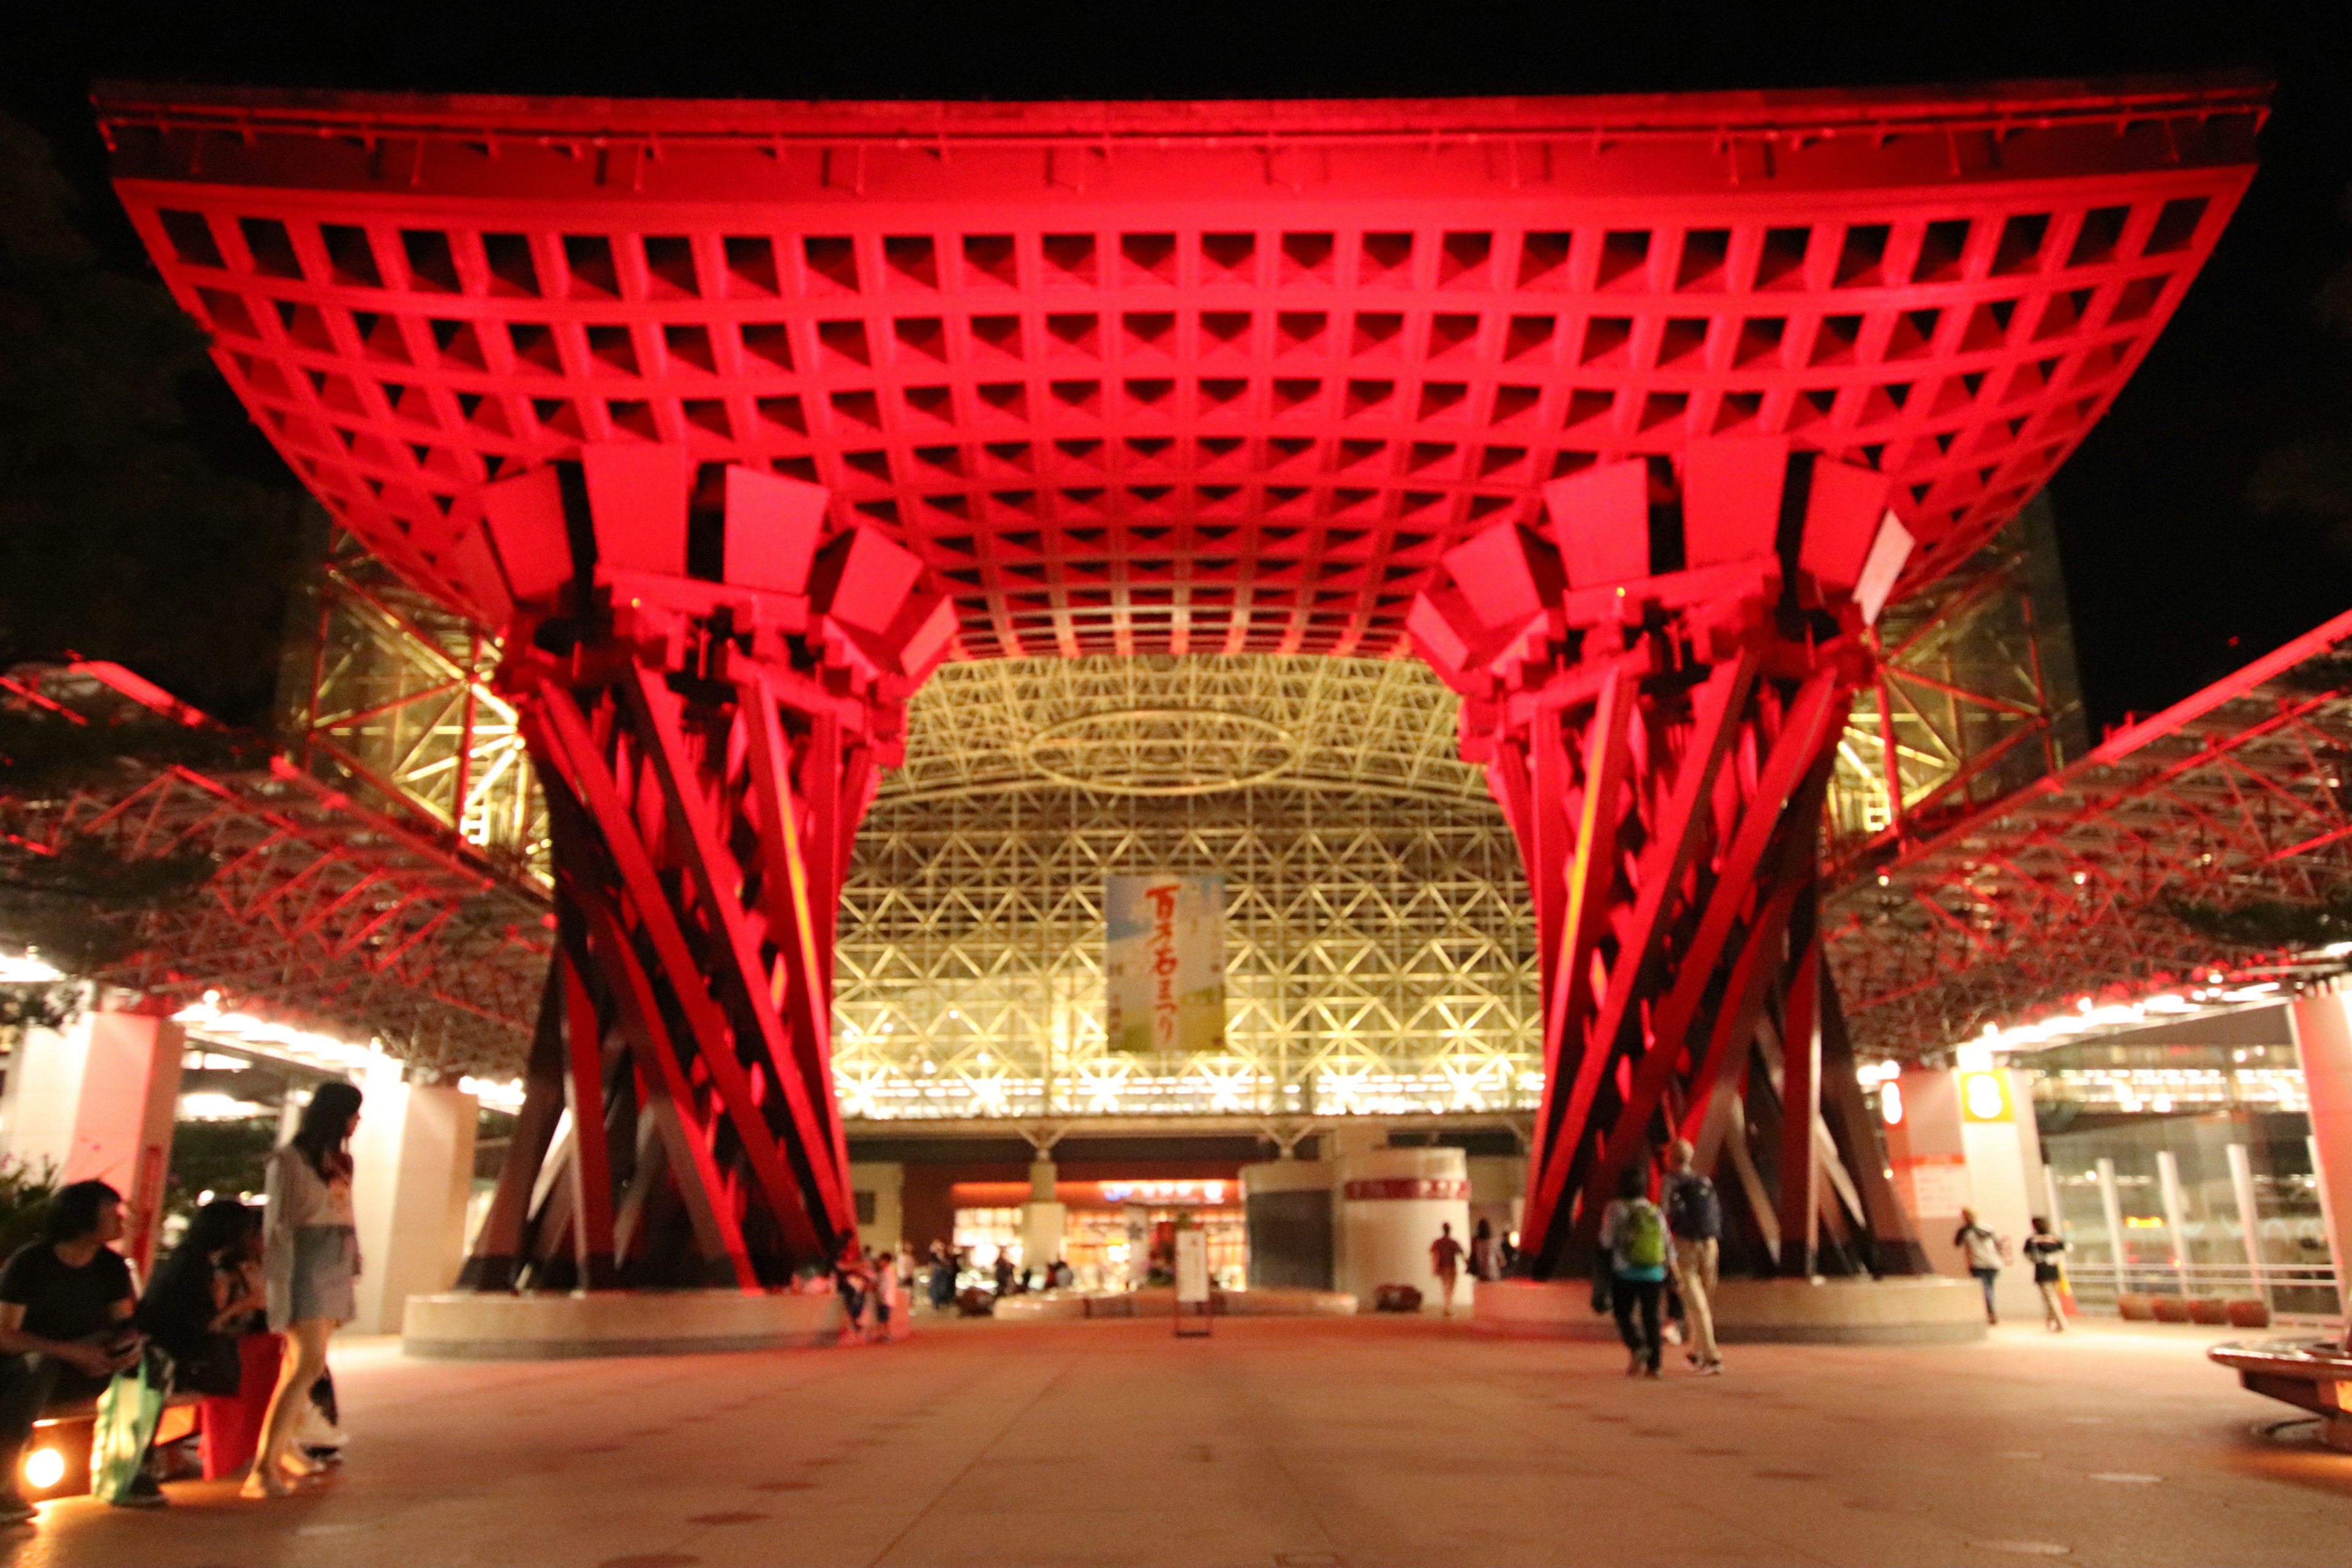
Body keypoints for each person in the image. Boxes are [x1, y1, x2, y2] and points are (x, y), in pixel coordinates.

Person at [0, 1180, 159, 1520]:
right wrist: (69, 1351)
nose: (119, 1220)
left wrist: (125, 1346)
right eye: (110, 1212)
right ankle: (4, 1484)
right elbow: (5, 1334)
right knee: (39, 1366)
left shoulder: (111, 1267)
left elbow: (122, 1323)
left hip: (89, 1362)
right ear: (82, 1218)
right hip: (29, 1367)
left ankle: (132, 1468)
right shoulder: (30, 1264)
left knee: (151, 1363)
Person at [246, 1080, 363, 1499]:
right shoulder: (289, 1161)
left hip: (333, 1258)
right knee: (306, 1364)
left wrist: (355, 1254)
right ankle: (263, 1468)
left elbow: (346, 1211)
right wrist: (277, 1286)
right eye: (353, 1113)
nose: (357, 1121)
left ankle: (284, 1451)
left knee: (304, 1365)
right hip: (305, 1264)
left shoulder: (339, 1162)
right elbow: (278, 1226)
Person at [137, 1200, 267, 1478]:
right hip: (175, 1352)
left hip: (172, 1346)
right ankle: (226, 1452)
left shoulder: (191, 1260)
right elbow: (206, 1323)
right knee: (246, 1362)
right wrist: (245, 1304)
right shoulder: (198, 1268)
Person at [1599, 1163, 1669, 1378]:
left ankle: (1637, 1346)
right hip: (1654, 1272)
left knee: (1622, 1314)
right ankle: (1655, 1365)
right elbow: (1667, 1242)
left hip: (1625, 1272)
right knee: (1652, 1318)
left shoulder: (1615, 1209)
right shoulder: (1654, 1211)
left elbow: (1606, 1241)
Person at [1660, 1139, 1724, 1376]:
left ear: (1671, 1158)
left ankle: (1711, 1357)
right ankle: (1697, 1353)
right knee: (1703, 1303)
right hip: (1710, 1243)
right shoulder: (1703, 1180)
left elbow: (1664, 1210)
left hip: (1685, 1243)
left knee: (1695, 1305)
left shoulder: (1671, 1181)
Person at [1954, 1207, 2007, 1324]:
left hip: (1978, 1263)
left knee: (1985, 1289)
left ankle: (1991, 1313)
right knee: (1990, 1289)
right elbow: (1999, 1244)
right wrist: (2000, 1257)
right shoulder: (1988, 1228)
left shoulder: (1965, 1231)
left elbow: (1957, 1243)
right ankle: (1991, 1312)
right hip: (1993, 1263)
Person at [2022, 1217, 2068, 1332]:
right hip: (2054, 1270)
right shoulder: (2054, 1238)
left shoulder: (2032, 1240)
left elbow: (2027, 1254)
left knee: (2050, 1298)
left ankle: (2061, 1322)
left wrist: (2036, 1259)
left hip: (2041, 1271)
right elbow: (2066, 1248)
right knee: (2054, 1298)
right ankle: (2051, 1321)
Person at [1429, 1222, 1466, 1316]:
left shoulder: (1438, 1242)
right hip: (1451, 1267)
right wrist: (1467, 1263)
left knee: (1445, 1286)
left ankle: (1447, 1306)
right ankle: (1448, 1306)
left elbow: (1433, 1253)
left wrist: (1434, 1267)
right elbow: (1461, 1253)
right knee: (1450, 1287)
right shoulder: (1453, 1242)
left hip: (1442, 1268)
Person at [1468, 1218, 1499, 1283]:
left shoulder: (1475, 1241)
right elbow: (1500, 1258)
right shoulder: (1493, 1241)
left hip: (1480, 1270)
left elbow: (1473, 1254)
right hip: (1492, 1270)